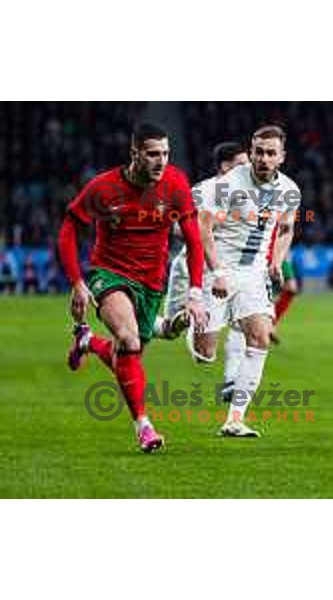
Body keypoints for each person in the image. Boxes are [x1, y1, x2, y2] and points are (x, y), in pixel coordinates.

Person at [58, 123, 207, 452]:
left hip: (152, 282)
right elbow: (69, 229)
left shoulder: (176, 184)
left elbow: (195, 240)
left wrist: (195, 294)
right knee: (128, 339)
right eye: (153, 154)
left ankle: (88, 341)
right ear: (135, 154)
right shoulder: (103, 188)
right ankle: (144, 426)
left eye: (166, 153)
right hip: (108, 274)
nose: (161, 161)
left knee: (127, 355)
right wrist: (79, 283)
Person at [193, 124, 301, 437]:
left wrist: (276, 263)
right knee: (205, 354)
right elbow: (204, 230)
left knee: (260, 335)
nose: (263, 158)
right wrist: (217, 273)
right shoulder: (228, 184)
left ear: (281, 157)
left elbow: (285, 228)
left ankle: (234, 419)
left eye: (270, 153)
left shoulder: (290, 190)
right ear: (250, 152)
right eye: (258, 152)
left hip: (253, 272)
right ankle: (184, 320)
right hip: (218, 269)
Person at [153, 141, 248, 342]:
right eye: (242, 164)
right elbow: (178, 227)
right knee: (171, 330)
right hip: (193, 267)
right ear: (225, 166)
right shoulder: (203, 191)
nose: (248, 169)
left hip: (226, 270)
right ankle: (140, 318)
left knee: (245, 322)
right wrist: (204, 230)